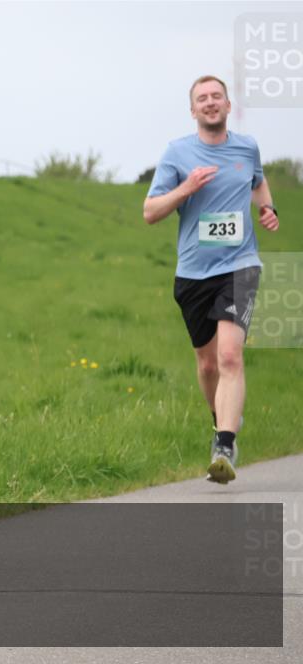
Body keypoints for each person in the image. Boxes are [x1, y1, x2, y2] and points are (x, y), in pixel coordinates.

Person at [143, 74, 279, 484]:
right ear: (193, 110)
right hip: (192, 273)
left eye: (216, 96)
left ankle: (224, 443)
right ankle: (218, 419)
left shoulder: (246, 147)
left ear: (227, 105)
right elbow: (150, 212)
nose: (210, 102)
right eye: (202, 98)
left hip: (240, 265)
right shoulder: (178, 153)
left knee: (230, 356)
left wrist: (267, 207)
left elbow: (258, 180)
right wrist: (186, 188)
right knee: (207, 365)